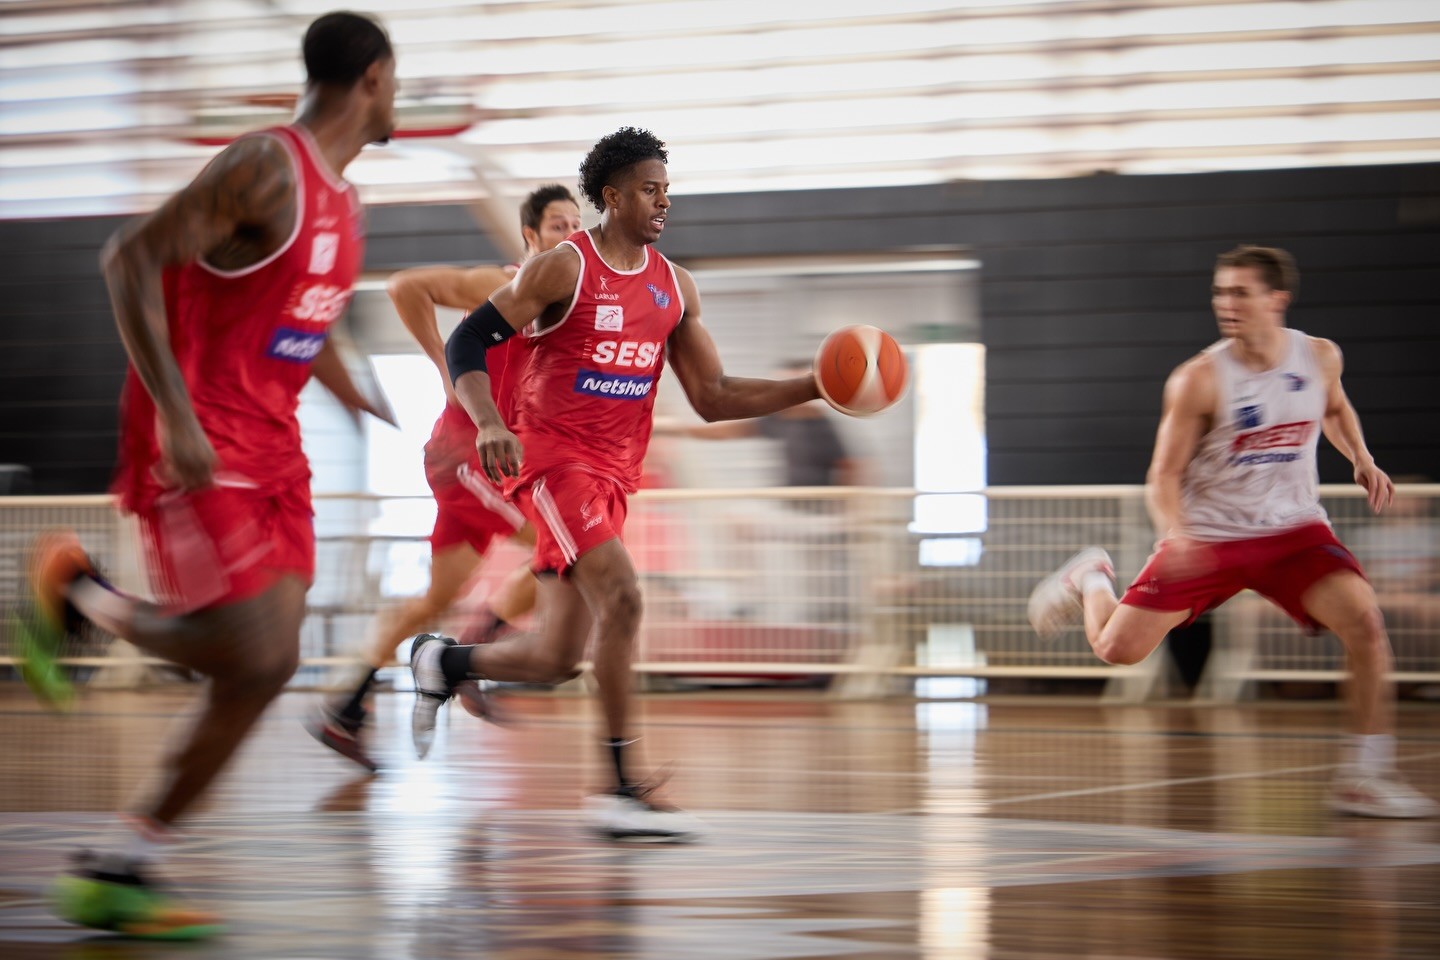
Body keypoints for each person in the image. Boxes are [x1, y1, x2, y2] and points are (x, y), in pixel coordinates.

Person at [21, 12, 398, 937]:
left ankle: (124, 862)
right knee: (258, 652)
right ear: (376, 79)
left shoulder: (345, 205)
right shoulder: (266, 165)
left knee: (262, 669)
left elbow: (307, 323)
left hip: (274, 444)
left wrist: (360, 398)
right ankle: (78, 589)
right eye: (397, 82)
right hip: (198, 429)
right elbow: (129, 257)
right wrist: (179, 418)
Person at [422, 127, 824, 840]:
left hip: (612, 474)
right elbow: (468, 340)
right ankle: (619, 790)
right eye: (649, 189)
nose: (663, 201)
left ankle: (443, 658)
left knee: (552, 658)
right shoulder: (562, 270)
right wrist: (488, 420)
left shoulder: (675, 288)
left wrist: (815, 384)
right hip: (550, 460)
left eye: (667, 190)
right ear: (612, 196)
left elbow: (715, 394)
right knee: (626, 597)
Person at [1027, 244, 1437, 819]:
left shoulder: (1318, 357)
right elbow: (1162, 474)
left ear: (1277, 300)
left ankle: (1363, 778)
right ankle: (1091, 577)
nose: (1226, 303)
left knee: (1367, 624)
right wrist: (1177, 535)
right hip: (1209, 536)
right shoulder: (1198, 378)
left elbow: (1336, 410)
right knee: (1117, 650)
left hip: (1292, 530)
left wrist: (1361, 458)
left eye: (1240, 292)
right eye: (1220, 292)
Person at [307, 185, 584, 771]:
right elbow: (405, 286)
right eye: (559, 225)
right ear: (531, 237)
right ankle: (467, 657)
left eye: (577, 226)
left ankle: (344, 710)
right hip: (465, 456)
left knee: (437, 597)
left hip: (485, 466)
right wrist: (442, 360)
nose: (571, 235)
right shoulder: (500, 284)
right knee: (566, 549)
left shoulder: (565, 309)